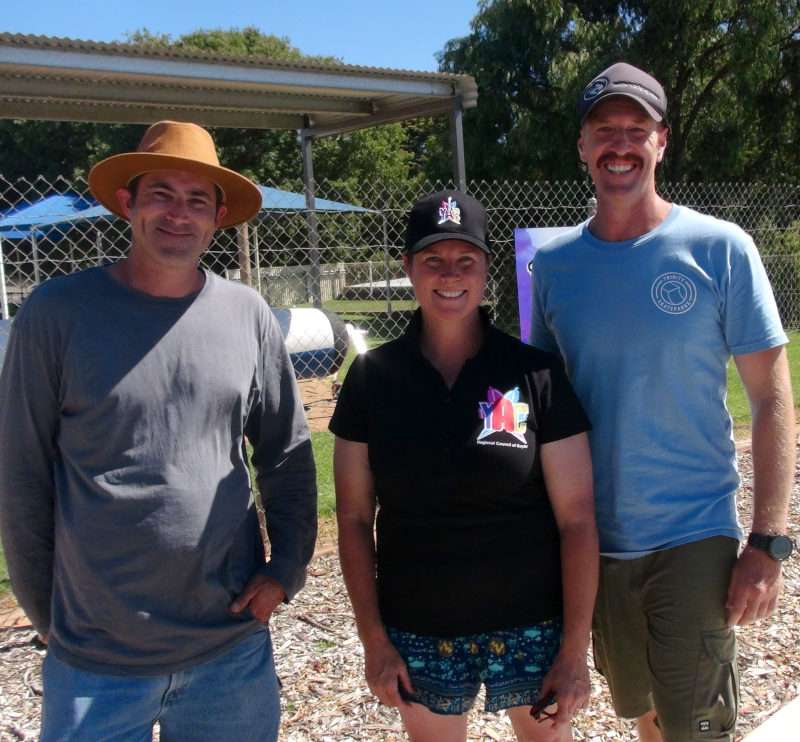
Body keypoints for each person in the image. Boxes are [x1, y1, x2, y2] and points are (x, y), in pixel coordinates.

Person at [0, 120, 318, 741]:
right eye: (162, 194)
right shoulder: (57, 314)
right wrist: (44, 612)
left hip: (228, 650)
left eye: (198, 199)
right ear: (128, 202)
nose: (179, 214)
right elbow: (20, 471)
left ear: (219, 215)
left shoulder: (246, 314)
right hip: (97, 661)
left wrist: (288, 569)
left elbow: (287, 452)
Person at [530, 63, 796, 742]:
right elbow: (540, 404)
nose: (621, 144)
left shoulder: (719, 248)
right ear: (583, 147)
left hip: (693, 535)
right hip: (597, 542)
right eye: (604, 130)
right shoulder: (553, 266)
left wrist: (768, 541)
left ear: (662, 141)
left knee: (697, 726)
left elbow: (770, 395)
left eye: (636, 130)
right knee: (642, 711)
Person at [330, 190, 598, 741]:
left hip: (532, 622)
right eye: (432, 260)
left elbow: (577, 519)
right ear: (407, 268)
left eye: (465, 260)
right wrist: (374, 641)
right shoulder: (372, 378)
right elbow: (355, 519)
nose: (449, 274)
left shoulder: (535, 373)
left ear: (485, 269)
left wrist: (575, 649)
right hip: (419, 624)